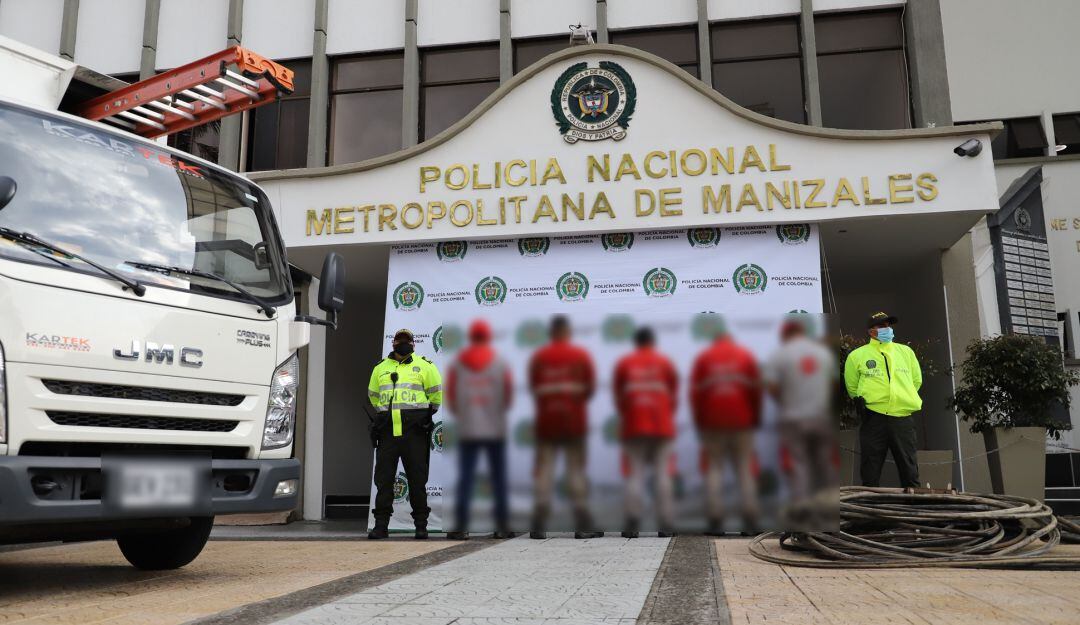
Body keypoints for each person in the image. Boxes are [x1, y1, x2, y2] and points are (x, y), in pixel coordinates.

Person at [528, 315, 602, 539]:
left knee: (545, 472)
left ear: (551, 332)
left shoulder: (539, 357)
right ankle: (582, 524)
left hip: (547, 422)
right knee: (575, 472)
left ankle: (539, 524)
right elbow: (590, 389)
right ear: (567, 332)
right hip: (573, 422)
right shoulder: (580, 356)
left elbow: (534, 388)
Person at [367, 328, 443, 540]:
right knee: (383, 481)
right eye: (400, 340)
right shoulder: (380, 368)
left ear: (413, 344)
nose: (403, 343)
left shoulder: (425, 367)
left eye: (407, 340)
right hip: (388, 432)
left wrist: (419, 417)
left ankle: (421, 526)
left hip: (415, 433)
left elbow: (436, 398)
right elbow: (373, 397)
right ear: (393, 344)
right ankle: (381, 526)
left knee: (417, 481)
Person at [691, 319, 762, 536]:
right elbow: (756, 392)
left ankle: (715, 522)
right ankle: (750, 522)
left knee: (714, 470)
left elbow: (696, 395)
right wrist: (755, 417)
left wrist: (700, 421)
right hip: (742, 421)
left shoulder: (704, 358)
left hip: (713, 423)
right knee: (744, 470)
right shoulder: (745, 356)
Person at [445, 319, 513, 540]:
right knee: (498, 478)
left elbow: (452, 398)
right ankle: (501, 526)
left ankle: (461, 526)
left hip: (468, 429)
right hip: (495, 428)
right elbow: (508, 396)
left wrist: (465, 415)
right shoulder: (500, 362)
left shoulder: (457, 363)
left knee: (466, 477)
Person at [764, 317, 838, 507]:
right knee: (825, 465)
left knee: (799, 465)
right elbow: (833, 384)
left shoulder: (780, 354)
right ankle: (827, 509)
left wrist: (785, 401)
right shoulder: (823, 353)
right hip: (820, 417)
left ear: (786, 334)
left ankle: (803, 512)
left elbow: (771, 386)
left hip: (793, 418)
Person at [844, 311, 923, 488]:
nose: (887, 329)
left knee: (910, 470)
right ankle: (870, 513)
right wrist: (869, 401)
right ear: (871, 331)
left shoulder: (906, 352)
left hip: (902, 417)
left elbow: (916, 381)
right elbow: (852, 386)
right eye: (881, 326)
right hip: (873, 418)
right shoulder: (857, 355)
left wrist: (900, 399)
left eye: (888, 325)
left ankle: (914, 511)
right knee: (870, 471)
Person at [612, 326, 678, 538]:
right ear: (652, 341)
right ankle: (665, 524)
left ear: (636, 342)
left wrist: (629, 414)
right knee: (662, 474)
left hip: (634, 424)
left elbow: (618, 397)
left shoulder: (624, 363)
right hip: (661, 425)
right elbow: (673, 395)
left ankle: (632, 524)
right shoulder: (664, 362)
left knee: (635, 475)